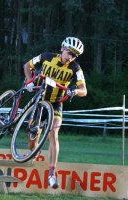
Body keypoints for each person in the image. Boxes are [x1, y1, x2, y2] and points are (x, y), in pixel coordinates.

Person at [23, 37, 87, 189]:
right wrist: (29, 81)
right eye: (69, 52)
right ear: (62, 48)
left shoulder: (75, 68)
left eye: (74, 55)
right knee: (32, 141)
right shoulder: (46, 56)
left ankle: (52, 172)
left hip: (56, 103)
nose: (70, 57)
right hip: (40, 100)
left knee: (54, 134)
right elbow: (27, 65)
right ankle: (35, 151)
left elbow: (84, 90)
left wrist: (75, 90)